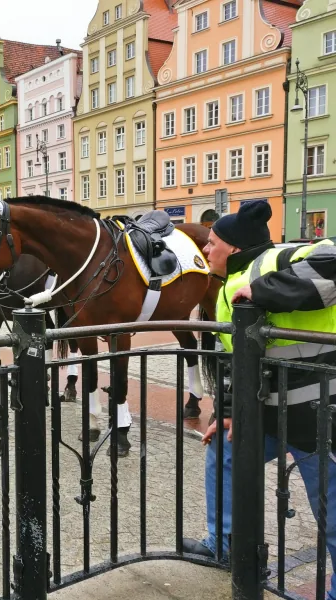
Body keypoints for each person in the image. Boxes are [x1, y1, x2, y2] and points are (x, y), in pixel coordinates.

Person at [185, 200, 336, 598]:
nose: (206, 249)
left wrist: (264, 291)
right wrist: (228, 413)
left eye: (212, 242)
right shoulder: (223, 292)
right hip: (265, 412)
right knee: (222, 453)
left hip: (319, 412)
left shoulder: (278, 258)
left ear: (233, 248)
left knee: (334, 513)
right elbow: (235, 363)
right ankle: (225, 547)